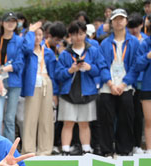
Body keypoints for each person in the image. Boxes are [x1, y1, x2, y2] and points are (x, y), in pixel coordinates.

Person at [55, 21, 103, 156]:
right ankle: (65, 150)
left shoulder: (92, 50)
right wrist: (69, 70)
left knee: (84, 123)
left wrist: (90, 68)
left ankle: (86, 149)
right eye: (75, 34)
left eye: (81, 34)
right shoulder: (65, 54)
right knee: (68, 123)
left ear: (85, 34)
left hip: (87, 92)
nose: (78, 37)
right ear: (70, 35)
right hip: (68, 93)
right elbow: (58, 74)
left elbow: (100, 69)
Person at [98, 8, 140, 156]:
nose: (118, 22)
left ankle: (124, 150)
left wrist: (123, 84)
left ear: (126, 21)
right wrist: (110, 83)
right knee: (106, 120)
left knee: (126, 119)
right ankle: (106, 150)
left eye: (121, 19)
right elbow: (102, 64)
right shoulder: (104, 43)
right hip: (107, 86)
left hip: (125, 86)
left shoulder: (134, 42)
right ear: (111, 22)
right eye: (115, 19)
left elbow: (135, 66)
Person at [0, 12, 25, 142]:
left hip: (14, 82)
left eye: (13, 21)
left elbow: (19, 64)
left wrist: (1, 70)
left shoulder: (19, 40)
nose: (10, 24)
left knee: (10, 118)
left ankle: (10, 148)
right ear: (2, 23)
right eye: (8, 21)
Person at [22, 23, 57, 155]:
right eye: (35, 35)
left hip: (46, 82)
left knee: (46, 118)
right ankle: (28, 150)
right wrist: (30, 33)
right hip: (32, 84)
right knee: (30, 117)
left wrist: (55, 92)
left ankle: (45, 150)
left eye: (39, 35)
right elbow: (26, 48)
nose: (37, 37)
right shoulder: (28, 51)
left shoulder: (48, 52)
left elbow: (53, 72)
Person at [134, 33, 151, 153]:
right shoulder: (145, 44)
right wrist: (148, 56)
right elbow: (137, 65)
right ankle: (149, 149)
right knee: (149, 120)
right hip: (147, 86)